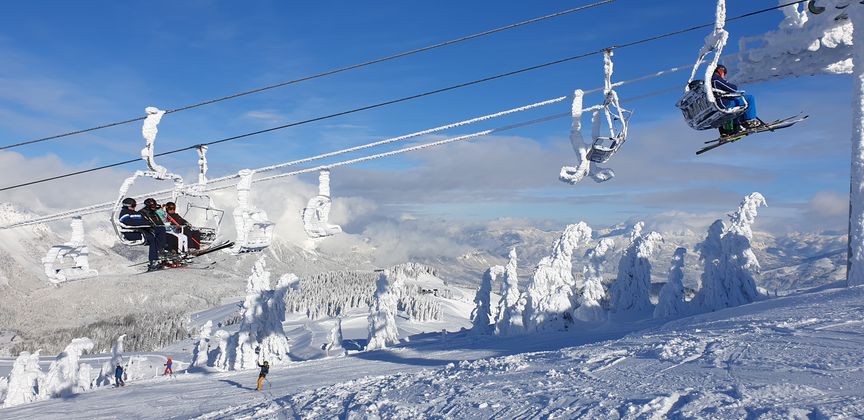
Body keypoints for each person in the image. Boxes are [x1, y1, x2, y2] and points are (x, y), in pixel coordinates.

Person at [118, 197, 166, 271]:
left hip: (138, 231)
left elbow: (141, 220)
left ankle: (161, 252)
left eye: (135, 205)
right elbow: (131, 222)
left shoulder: (133, 212)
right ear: (127, 206)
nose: (134, 207)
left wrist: (149, 223)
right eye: (133, 206)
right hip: (131, 234)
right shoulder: (125, 213)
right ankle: (153, 262)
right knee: (152, 239)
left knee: (160, 231)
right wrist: (147, 223)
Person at [712, 64, 761, 134]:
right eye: (724, 73)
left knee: (736, 105)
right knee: (750, 98)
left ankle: (733, 128)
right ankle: (750, 122)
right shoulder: (716, 79)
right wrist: (726, 82)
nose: (724, 75)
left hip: (716, 106)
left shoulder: (708, 82)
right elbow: (733, 89)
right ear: (720, 71)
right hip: (723, 104)